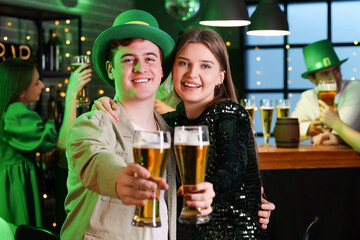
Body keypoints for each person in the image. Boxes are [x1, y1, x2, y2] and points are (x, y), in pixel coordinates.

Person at [95, 27, 274, 239]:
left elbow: (233, 166)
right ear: (171, 70)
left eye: (205, 66)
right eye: (183, 63)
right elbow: (139, 120)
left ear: (220, 77)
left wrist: (211, 187)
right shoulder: (175, 122)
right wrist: (105, 104)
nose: (192, 74)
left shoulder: (229, 113)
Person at [60, 10, 215, 240]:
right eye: (128, 59)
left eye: (150, 58)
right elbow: (96, 161)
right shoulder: (91, 125)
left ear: (162, 70)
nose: (140, 67)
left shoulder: (173, 134)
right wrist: (121, 178)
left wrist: (251, 200)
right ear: (111, 69)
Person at [0, 57, 91, 228]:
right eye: (36, 83)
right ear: (19, 91)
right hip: (14, 189)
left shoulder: (9, 110)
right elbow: (62, 143)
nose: (42, 85)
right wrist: (71, 93)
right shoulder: (14, 112)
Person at [291, 39, 360, 143]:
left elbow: (342, 129)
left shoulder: (356, 88)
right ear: (312, 79)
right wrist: (309, 128)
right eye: (325, 73)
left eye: (336, 70)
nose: (333, 78)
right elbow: (289, 131)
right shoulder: (308, 97)